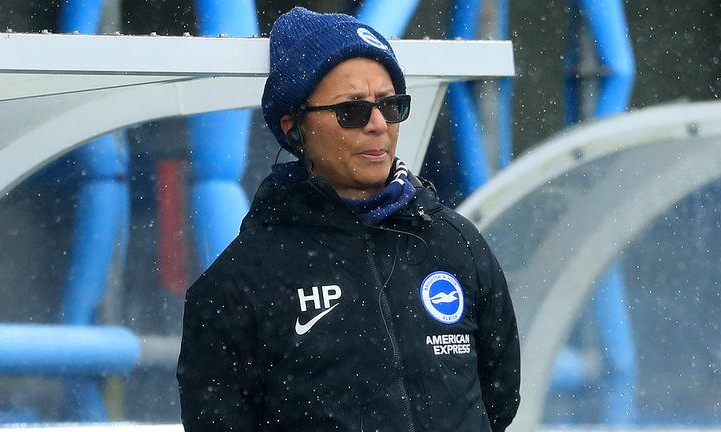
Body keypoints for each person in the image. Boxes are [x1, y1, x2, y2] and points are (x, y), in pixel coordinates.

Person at [177, 6, 520, 432]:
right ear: (294, 128)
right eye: (351, 111)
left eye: (391, 106)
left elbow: (499, 396)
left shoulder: (455, 242)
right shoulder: (240, 281)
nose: (378, 125)